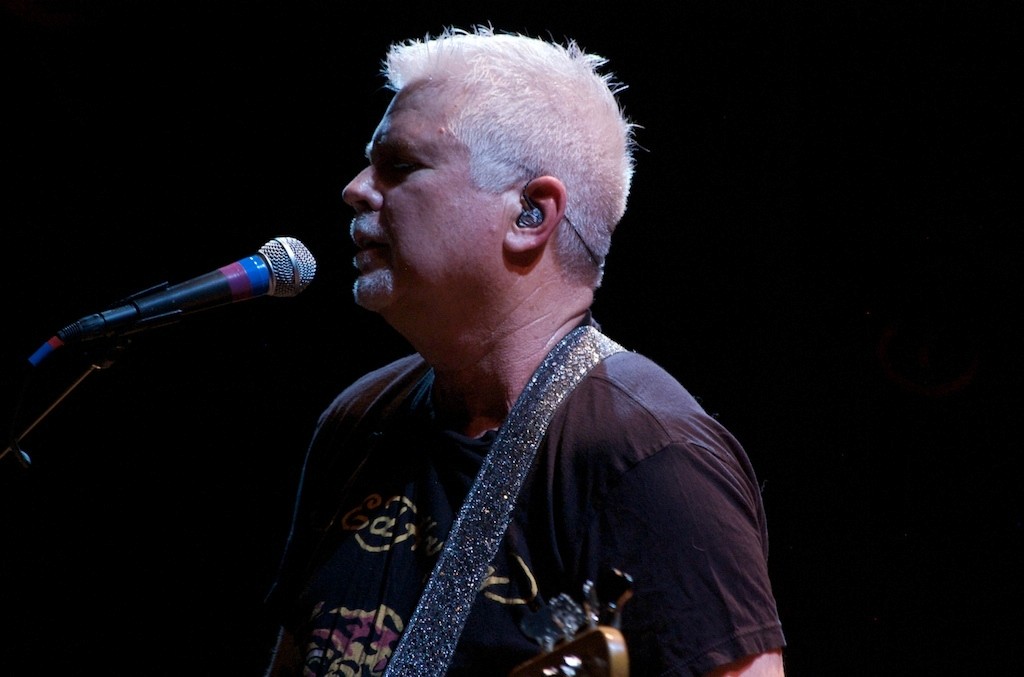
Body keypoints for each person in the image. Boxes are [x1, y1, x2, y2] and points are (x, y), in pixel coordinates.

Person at [263, 25, 786, 677]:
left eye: (400, 165)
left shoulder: (651, 456)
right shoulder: (358, 418)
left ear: (530, 215)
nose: (356, 188)